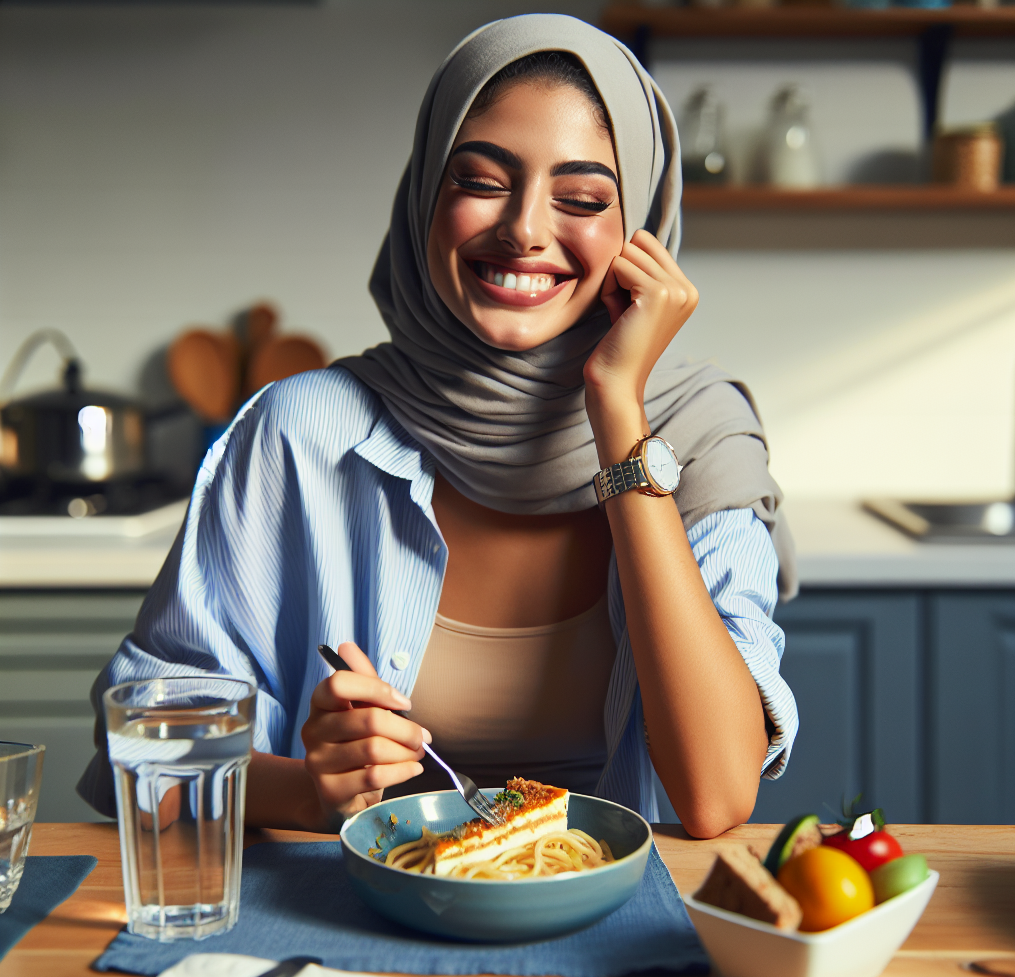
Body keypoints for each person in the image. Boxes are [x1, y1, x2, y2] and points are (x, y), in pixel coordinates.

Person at [78, 15, 798, 840]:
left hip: (614, 937)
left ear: (641, 229)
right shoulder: (302, 431)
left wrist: (616, 409)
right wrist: (310, 791)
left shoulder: (700, 436)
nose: (525, 228)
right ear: (426, 197)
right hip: (341, 923)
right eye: (482, 181)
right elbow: (137, 753)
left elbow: (715, 795)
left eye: (583, 198)